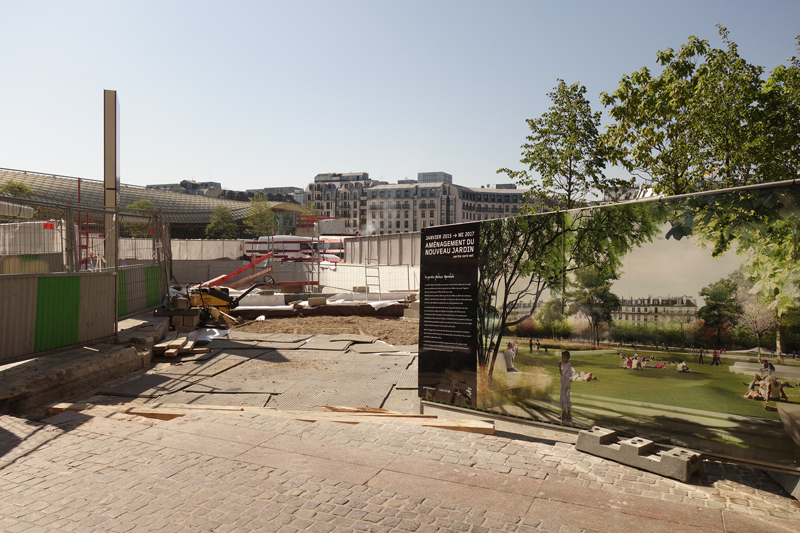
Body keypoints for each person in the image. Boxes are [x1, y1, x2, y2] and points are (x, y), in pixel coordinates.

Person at [559, 350, 575, 425]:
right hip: (568, 383)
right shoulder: (569, 364)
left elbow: (561, 373)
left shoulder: (565, 365)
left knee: (563, 398)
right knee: (568, 398)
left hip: (564, 384)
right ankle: (569, 414)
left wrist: (559, 366)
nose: (561, 358)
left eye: (562, 356)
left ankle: (564, 413)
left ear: (565, 357)